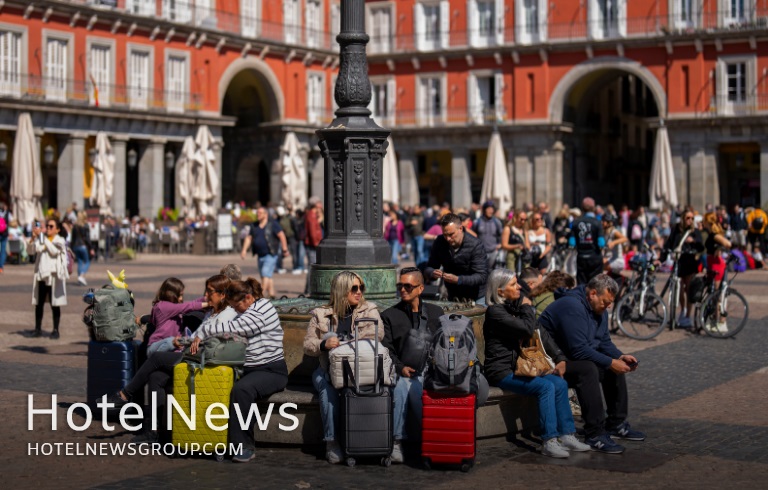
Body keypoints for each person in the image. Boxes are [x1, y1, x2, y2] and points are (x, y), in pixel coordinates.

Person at [110, 274, 238, 443]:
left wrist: (194, 338)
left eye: (210, 292)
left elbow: (211, 336)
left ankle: (125, 394)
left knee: (156, 358)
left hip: (204, 360)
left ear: (222, 295)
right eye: (206, 291)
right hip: (193, 355)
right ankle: (155, 431)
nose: (205, 295)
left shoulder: (227, 314)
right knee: (155, 377)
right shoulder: (212, 312)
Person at [483, 269, 590, 458]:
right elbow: (527, 329)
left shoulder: (513, 306)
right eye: (514, 284)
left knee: (559, 383)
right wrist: (526, 308)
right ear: (500, 291)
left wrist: (559, 357)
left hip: (520, 368)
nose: (519, 287)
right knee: (545, 387)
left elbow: (541, 333)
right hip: (501, 371)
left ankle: (566, 434)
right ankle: (549, 441)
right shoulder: (495, 312)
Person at [539, 274, 645, 454]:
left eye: (610, 302)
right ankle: (595, 433)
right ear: (593, 293)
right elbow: (578, 350)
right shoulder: (571, 306)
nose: (608, 306)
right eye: (605, 301)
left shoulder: (598, 309)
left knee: (612, 366)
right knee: (588, 370)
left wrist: (620, 356)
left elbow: (604, 342)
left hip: (568, 358)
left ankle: (616, 423)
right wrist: (611, 362)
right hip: (549, 362)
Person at [190, 277, 288, 462]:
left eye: (236, 306)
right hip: (250, 369)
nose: (234, 310)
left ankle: (244, 445)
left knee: (242, 390)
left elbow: (234, 327)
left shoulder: (263, 309)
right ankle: (212, 440)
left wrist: (203, 333)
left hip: (271, 371)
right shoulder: (247, 310)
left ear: (248, 298)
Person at [303, 271, 382, 464]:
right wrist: (323, 345)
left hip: (358, 368)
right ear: (341, 290)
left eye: (361, 288)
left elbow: (376, 335)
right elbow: (307, 344)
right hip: (327, 368)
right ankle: (332, 442)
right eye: (354, 288)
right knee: (327, 391)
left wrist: (346, 343)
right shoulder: (321, 314)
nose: (359, 292)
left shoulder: (369, 310)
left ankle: (362, 440)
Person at [381, 267, 444, 463]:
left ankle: (433, 439)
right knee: (403, 387)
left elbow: (443, 344)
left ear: (421, 288)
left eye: (408, 286)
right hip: (405, 371)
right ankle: (398, 442)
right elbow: (387, 349)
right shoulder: (390, 315)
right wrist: (400, 368)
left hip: (432, 370)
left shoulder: (436, 312)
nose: (403, 289)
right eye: (400, 285)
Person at [424, 213, 489, 304]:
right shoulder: (439, 242)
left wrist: (458, 279)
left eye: (451, 234)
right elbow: (429, 267)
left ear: (460, 229)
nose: (448, 239)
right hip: (452, 295)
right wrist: (432, 273)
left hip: (475, 295)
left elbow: (481, 276)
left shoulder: (475, 245)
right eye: (445, 235)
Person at [27, 218, 69, 338]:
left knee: (55, 304)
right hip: (41, 275)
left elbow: (53, 251)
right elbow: (31, 251)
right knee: (38, 303)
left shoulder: (60, 240)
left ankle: (56, 330)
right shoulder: (42, 238)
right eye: (48, 226)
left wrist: (42, 237)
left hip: (53, 276)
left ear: (57, 229)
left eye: (51, 226)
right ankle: (37, 329)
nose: (48, 229)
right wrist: (33, 238)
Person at [663, 210, 704, 328]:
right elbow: (669, 244)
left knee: (689, 288)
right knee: (680, 287)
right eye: (688, 218)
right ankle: (683, 310)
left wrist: (694, 241)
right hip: (679, 262)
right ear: (683, 218)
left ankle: (688, 315)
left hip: (690, 261)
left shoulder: (695, 232)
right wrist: (662, 256)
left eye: (692, 218)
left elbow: (701, 246)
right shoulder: (676, 230)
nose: (690, 220)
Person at [146, 278, 207, 356]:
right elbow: (189, 306)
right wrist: (208, 304)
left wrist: (205, 299)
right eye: (179, 295)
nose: (181, 298)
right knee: (171, 341)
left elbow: (192, 303)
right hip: (156, 347)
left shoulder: (174, 308)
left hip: (171, 347)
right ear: (170, 294)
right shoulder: (162, 306)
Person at [240, 206, 289, 299]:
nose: (258, 215)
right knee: (266, 275)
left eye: (260, 213)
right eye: (257, 213)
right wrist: (244, 250)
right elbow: (249, 238)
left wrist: (285, 249)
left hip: (271, 254)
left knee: (265, 273)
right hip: (260, 255)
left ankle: (258, 296)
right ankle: (272, 294)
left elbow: (282, 235)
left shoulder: (273, 224)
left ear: (266, 214)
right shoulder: (254, 225)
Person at [569, 197, 605, 285]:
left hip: (581, 256)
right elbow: (601, 243)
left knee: (582, 284)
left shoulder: (576, 222)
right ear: (593, 208)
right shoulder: (597, 222)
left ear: (582, 207)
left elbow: (572, 242)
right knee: (596, 283)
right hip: (595, 257)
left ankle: (582, 298)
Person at [474, 201, 503, 271]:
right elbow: (473, 235)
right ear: (484, 210)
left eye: (492, 209)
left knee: (492, 272)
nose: (490, 211)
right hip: (481, 252)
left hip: (494, 251)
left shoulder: (497, 222)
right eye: (488, 209)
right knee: (481, 271)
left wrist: (500, 245)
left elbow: (502, 235)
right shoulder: (477, 222)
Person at [304, 196, 324, 294]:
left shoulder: (314, 214)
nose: (321, 204)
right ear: (315, 204)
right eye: (319, 202)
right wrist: (316, 243)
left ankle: (308, 288)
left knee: (311, 266)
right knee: (312, 267)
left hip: (314, 243)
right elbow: (312, 231)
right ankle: (309, 289)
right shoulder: (311, 215)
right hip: (313, 245)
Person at [70, 211, 93, 286]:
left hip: (75, 246)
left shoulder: (75, 226)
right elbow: (87, 238)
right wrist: (91, 248)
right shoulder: (85, 225)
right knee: (87, 261)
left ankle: (80, 279)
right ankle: (82, 276)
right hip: (83, 246)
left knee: (80, 262)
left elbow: (72, 238)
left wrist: (71, 248)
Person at [0, 201, 11, 274]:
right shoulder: (7, 213)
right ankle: (1, 267)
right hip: (4, 233)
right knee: (3, 251)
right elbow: (10, 222)